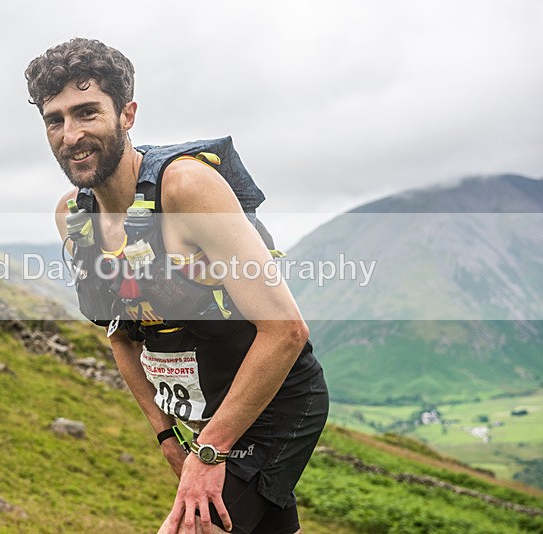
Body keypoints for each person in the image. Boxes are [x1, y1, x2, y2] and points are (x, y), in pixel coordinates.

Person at [26, 38, 328, 534]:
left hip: (272, 405)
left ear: (127, 114)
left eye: (86, 113)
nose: (70, 134)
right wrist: (167, 435)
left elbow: (286, 331)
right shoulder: (74, 217)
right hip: (200, 417)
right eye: (54, 119)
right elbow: (122, 335)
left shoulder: (186, 187)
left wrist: (210, 452)